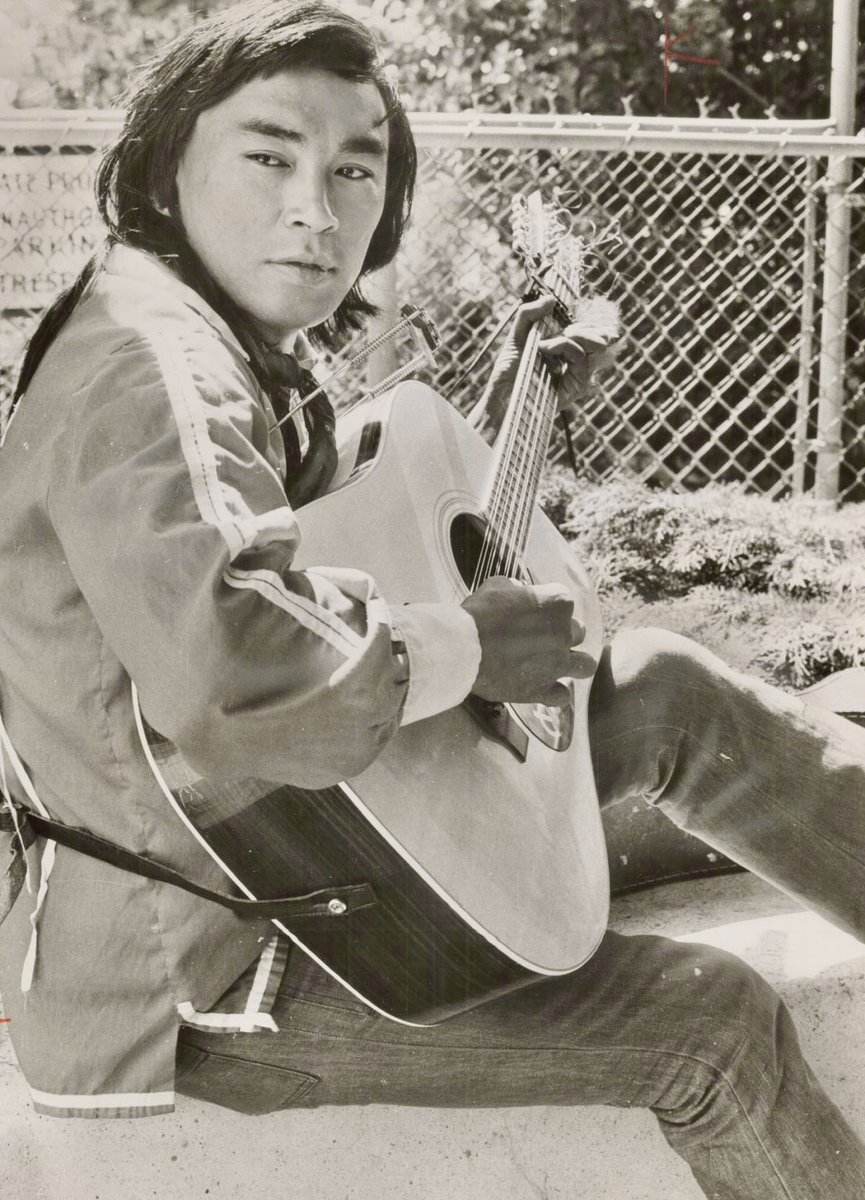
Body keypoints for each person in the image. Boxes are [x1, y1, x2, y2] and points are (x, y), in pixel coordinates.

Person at [0, 3, 864, 1197]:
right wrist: (465, 645)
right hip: (213, 960)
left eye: (356, 167)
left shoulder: (201, 329)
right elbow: (237, 665)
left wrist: (510, 412)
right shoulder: (154, 369)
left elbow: (313, 532)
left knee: (666, 688)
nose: (318, 206)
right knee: (709, 1025)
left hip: (302, 840)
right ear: (167, 161)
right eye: (268, 155)